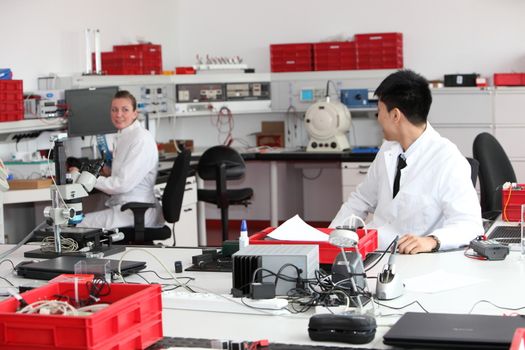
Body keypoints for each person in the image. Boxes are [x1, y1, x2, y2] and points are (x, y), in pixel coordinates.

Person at [330, 70, 483, 254]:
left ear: (395, 115)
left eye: (379, 111)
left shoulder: (447, 159)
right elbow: (361, 199)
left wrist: (432, 241)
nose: (377, 118)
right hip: (375, 252)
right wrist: (331, 238)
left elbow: (470, 225)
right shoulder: (388, 148)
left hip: (416, 261)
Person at [75, 90, 163, 230]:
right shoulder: (125, 135)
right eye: (114, 110)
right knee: (78, 219)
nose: (118, 114)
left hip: (136, 211)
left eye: (125, 110)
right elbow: (125, 175)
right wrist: (109, 173)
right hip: (126, 207)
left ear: (135, 113)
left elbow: (121, 184)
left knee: (74, 225)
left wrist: (84, 177)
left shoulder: (141, 139)